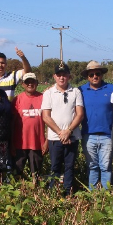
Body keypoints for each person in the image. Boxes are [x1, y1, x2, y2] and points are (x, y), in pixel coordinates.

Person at [41, 61, 85, 196]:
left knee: (69, 167)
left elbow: (80, 114)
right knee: (55, 167)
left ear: (69, 76)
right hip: (55, 138)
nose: (61, 78)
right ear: (54, 76)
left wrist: (69, 131)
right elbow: (46, 117)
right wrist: (61, 132)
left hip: (72, 137)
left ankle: (67, 193)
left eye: (64, 75)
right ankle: (53, 193)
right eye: (59, 75)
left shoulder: (76, 91)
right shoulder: (48, 93)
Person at [79, 60, 113, 189]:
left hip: (107, 134)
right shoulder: (81, 90)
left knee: (106, 166)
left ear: (101, 75)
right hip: (88, 135)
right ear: (87, 77)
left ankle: (106, 193)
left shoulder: (112, 89)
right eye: (91, 74)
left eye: (97, 73)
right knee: (92, 166)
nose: (95, 76)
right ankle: (93, 193)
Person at [13, 73, 47, 181]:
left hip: (37, 143)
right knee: (17, 171)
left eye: (33, 82)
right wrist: (11, 143)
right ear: (23, 84)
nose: (30, 84)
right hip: (20, 143)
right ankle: (18, 192)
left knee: (36, 174)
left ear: (37, 83)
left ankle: (35, 192)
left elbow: (50, 121)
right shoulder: (17, 99)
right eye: (27, 82)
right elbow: (11, 122)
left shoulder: (43, 98)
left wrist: (46, 142)